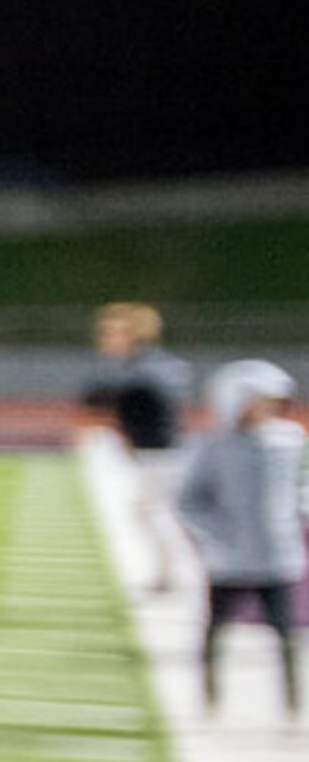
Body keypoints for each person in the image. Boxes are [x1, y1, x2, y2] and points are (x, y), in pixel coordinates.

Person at [174, 358, 306, 718]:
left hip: (277, 553)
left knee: (285, 634)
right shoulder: (214, 447)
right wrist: (220, 535)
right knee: (216, 628)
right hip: (228, 559)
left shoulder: (289, 442)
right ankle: (210, 697)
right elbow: (188, 502)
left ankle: (292, 704)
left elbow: (298, 490)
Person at [78, 301, 194, 593]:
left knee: (156, 514)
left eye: (113, 333)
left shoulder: (141, 368)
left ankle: (175, 573)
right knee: (150, 512)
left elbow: (96, 395)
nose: (105, 340)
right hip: (153, 451)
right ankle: (169, 573)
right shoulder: (143, 365)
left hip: (160, 453)